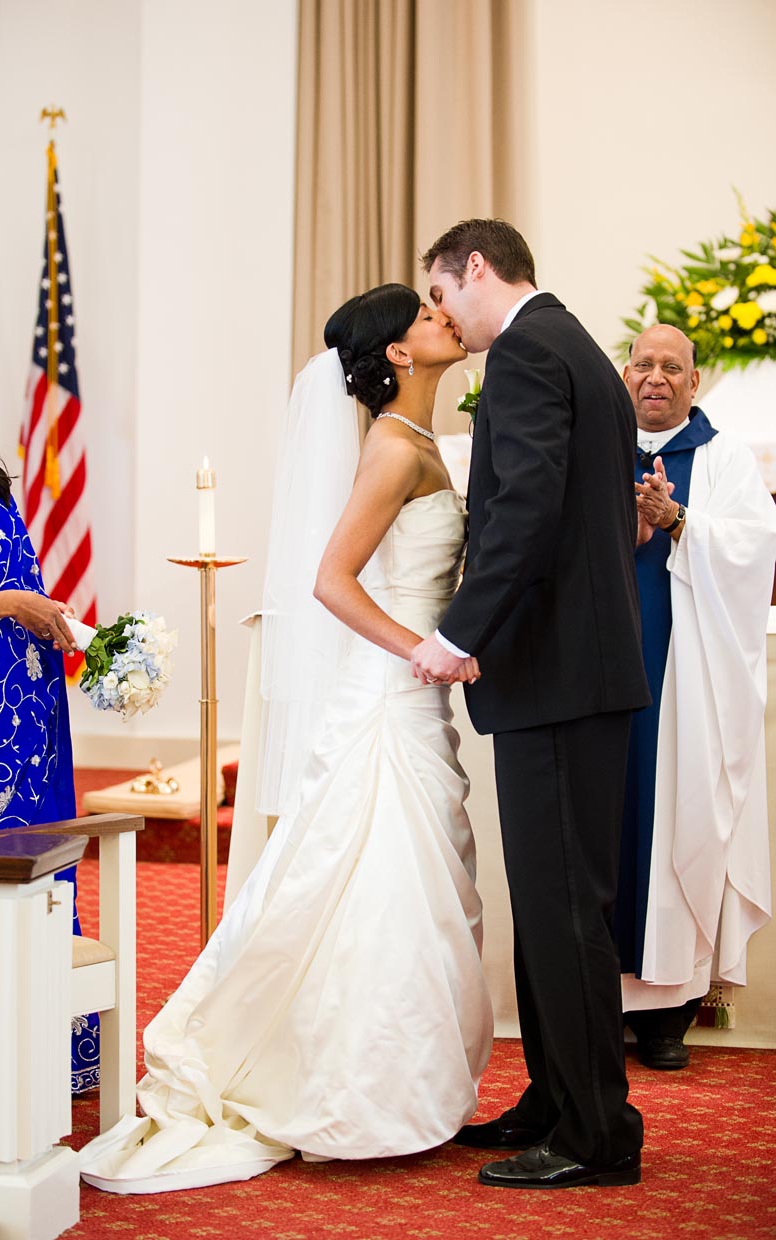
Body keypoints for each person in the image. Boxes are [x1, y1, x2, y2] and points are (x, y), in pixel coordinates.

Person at [79, 284, 494, 1194]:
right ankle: (355, 1089)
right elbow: (332, 582)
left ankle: (397, 1083)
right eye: (426, 318)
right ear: (396, 352)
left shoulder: (419, 439)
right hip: (389, 693)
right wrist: (422, 649)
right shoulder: (392, 446)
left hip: (403, 695)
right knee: (381, 882)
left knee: (406, 885)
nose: (444, 321)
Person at [412, 219, 650, 1190]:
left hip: (558, 676)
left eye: (441, 294)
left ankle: (597, 1132)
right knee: (557, 908)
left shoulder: (523, 353)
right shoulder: (575, 346)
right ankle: (556, 1097)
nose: (442, 316)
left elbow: (528, 509)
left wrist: (458, 633)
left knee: (565, 911)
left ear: (477, 268)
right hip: (579, 673)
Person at [617, 323, 776, 1069]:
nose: (656, 377)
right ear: (625, 376)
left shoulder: (722, 460)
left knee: (680, 817)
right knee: (604, 823)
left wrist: (677, 520)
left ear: (694, 381)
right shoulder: (594, 449)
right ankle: (598, 1001)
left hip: (687, 679)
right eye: (643, 364)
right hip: (602, 670)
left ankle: (666, 1013)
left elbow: (755, 548)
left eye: (671, 368)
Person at [0, 330, 100, 1092]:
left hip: (26, 699)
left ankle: (47, 1046)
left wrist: (52, 616)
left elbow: (19, 583)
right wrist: (12, 603)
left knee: (42, 856)